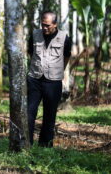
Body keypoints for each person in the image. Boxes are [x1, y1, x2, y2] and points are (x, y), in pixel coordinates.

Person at [27, 11, 71, 147]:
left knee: (49, 115)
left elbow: (66, 56)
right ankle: (26, 142)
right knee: (29, 112)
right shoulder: (35, 35)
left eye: (47, 25)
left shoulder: (64, 37)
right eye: (43, 24)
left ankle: (45, 145)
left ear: (55, 24)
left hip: (53, 82)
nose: (44, 28)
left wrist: (58, 70)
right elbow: (30, 52)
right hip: (34, 79)